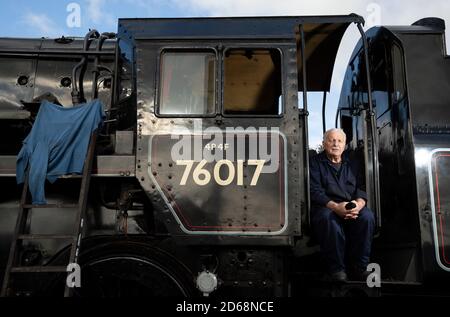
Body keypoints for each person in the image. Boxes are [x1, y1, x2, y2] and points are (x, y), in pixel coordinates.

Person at [309, 128, 375, 282]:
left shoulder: (353, 164)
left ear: (345, 145)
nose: (335, 144)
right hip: (326, 207)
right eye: (332, 140)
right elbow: (315, 191)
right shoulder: (314, 163)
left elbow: (361, 188)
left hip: (352, 207)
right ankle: (336, 270)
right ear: (324, 143)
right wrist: (335, 207)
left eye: (339, 141)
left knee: (367, 217)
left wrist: (358, 204)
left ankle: (360, 268)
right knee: (327, 218)